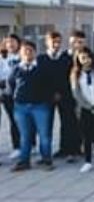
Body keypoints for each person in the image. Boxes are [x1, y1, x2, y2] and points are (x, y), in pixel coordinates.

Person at [9, 40, 55, 172]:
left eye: (30, 50)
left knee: (44, 134)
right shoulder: (16, 69)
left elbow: (50, 85)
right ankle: (24, 161)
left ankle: (46, 159)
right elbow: (11, 85)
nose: (28, 53)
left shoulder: (42, 68)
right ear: (20, 53)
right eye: (25, 51)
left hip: (40, 106)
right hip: (21, 107)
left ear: (35, 52)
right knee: (25, 135)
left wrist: (45, 99)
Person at [38, 31, 80, 163]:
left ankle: (68, 150)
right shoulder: (41, 59)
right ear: (47, 42)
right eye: (53, 41)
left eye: (58, 41)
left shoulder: (66, 58)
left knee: (68, 123)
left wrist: (61, 92)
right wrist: (51, 93)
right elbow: (41, 79)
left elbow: (70, 77)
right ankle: (46, 154)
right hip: (46, 97)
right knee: (46, 126)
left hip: (65, 95)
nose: (56, 44)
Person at [0, 35, 22, 159]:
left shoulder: (22, 56)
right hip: (7, 94)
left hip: (22, 93)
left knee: (24, 121)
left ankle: (31, 144)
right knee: (13, 120)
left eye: (13, 42)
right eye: (7, 42)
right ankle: (17, 146)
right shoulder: (2, 58)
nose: (10, 45)